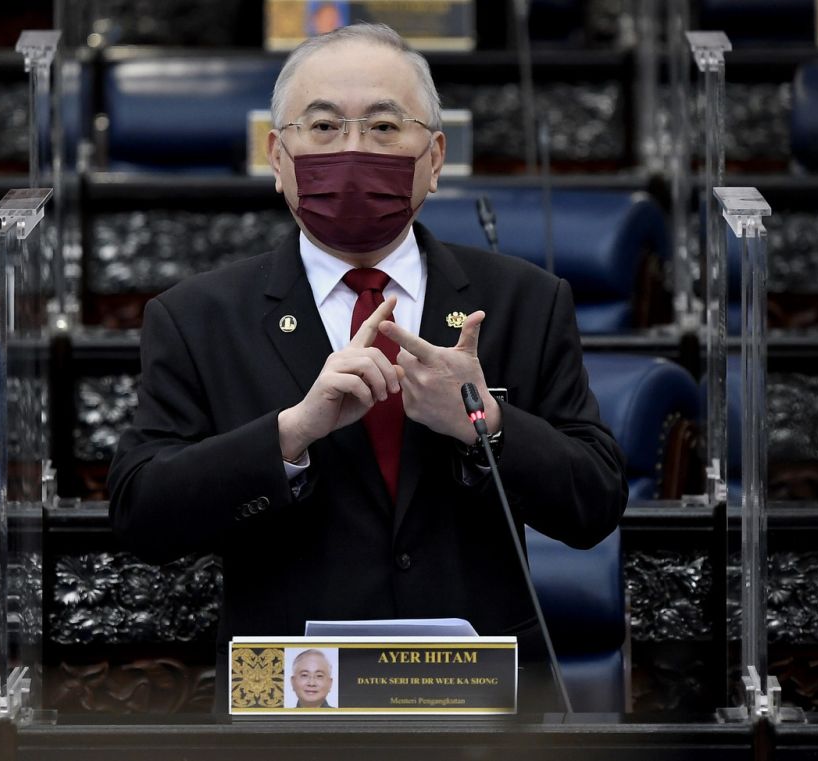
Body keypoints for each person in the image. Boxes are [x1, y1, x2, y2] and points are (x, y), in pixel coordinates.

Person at [108, 22, 627, 710]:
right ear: (277, 154)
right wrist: (289, 434)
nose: (352, 150)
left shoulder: (523, 300)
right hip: (292, 706)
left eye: (385, 127)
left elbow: (594, 501)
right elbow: (142, 512)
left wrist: (486, 424)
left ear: (436, 157)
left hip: (480, 709)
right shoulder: (198, 315)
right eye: (322, 127)